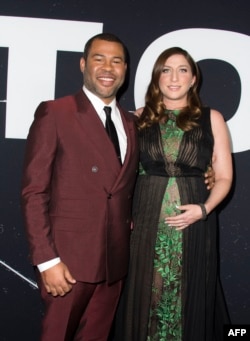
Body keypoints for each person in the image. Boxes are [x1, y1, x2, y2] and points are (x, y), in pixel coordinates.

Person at [21, 33, 139, 341]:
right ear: (84, 64)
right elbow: (34, 192)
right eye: (99, 59)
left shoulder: (131, 124)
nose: (108, 68)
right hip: (67, 262)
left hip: (114, 262)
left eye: (116, 61)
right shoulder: (55, 113)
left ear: (125, 70)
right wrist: (47, 260)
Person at [114, 47, 232, 340]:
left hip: (195, 225)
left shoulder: (212, 118)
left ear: (194, 79)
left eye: (182, 70)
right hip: (146, 221)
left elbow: (225, 176)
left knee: (189, 294)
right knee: (146, 295)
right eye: (166, 69)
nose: (174, 77)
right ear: (157, 78)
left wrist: (203, 210)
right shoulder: (137, 118)